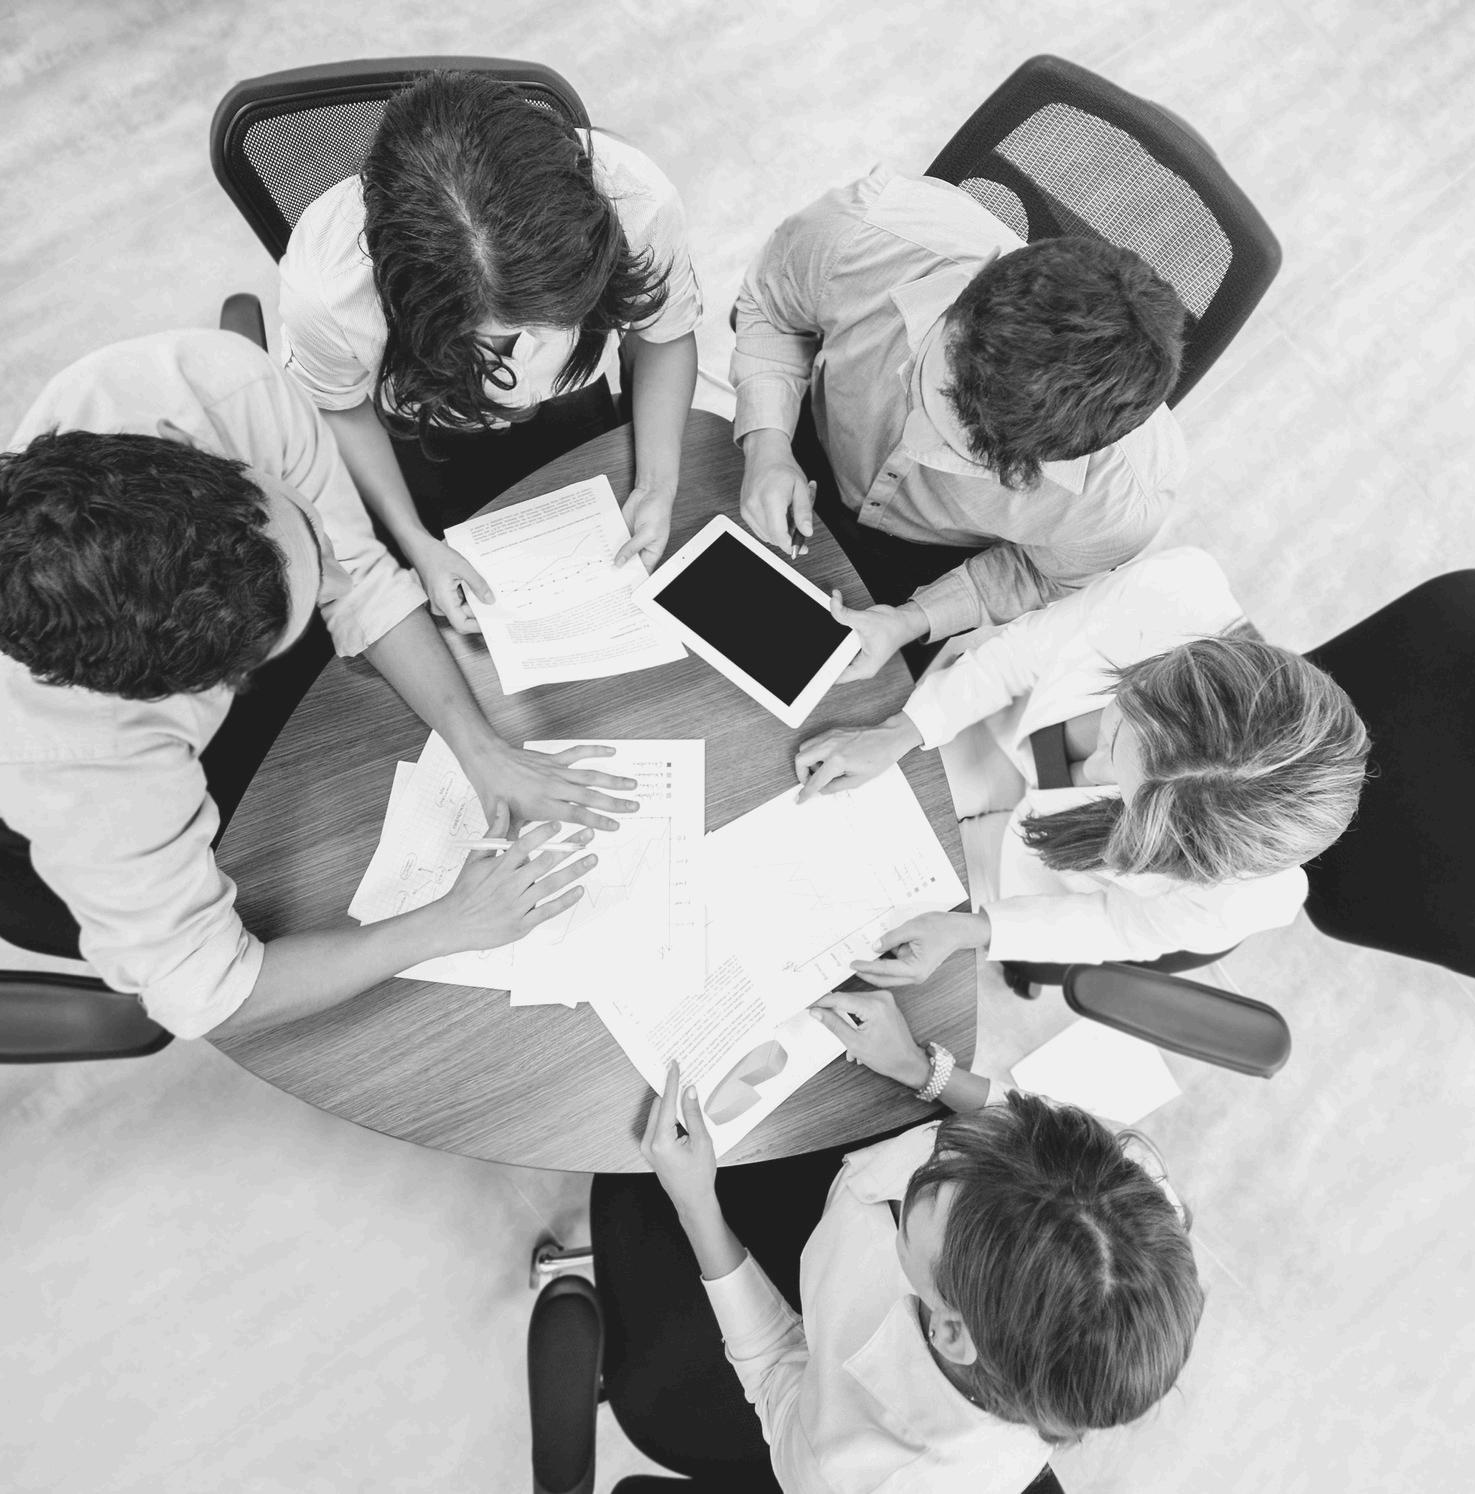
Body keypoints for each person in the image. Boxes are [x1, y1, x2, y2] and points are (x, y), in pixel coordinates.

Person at [0, 329, 634, 1040]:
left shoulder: (212, 387)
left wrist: (480, 749)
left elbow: (359, 577)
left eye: (304, 525)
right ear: (217, 682)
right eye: (306, 600)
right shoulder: (92, 770)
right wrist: (445, 924)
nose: (336, 571)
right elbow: (210, 997)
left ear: (199, 455)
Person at [631, 981, 1203, 1492]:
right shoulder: (1128, 1203)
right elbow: (1026, 1122)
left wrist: (695, 1204)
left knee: (629, 1192)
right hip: (841, 1196)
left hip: (791, 1309)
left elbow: (775, 1367)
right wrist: (921, 1069)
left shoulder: (856, 1469)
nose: (941, 1147)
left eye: (931, 1186)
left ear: (950, 1329)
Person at [787, 548, 1369, 982]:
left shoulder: (1244, 894)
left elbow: (1122, 926)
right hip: (985, 728)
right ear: (1161, 667)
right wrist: (903, 729)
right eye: (1119, 728)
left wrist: (975, 930)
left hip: (1031, 868)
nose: (1094, 771)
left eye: (1126, 793)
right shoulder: (1174, 591)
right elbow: (1020, 654)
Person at [277, 68, 703, 632]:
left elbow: (663, 335)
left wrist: (656, 485)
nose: (527, 352)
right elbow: (340, 406)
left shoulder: (640, 202)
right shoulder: (328, 291)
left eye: (554, 318)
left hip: (577, 400)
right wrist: (415, 541)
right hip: (418, 434)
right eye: (495, 332)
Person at [730, 165, 1187, 679]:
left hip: (922, 565)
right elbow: (771, 308)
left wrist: (908, 621)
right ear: (957, 306)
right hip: (803, 437)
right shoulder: (859, 233)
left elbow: (1037, 573)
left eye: (966, 456)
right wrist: (767, 443)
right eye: (929, 393)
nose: (916, 442)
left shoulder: (1122, 502)